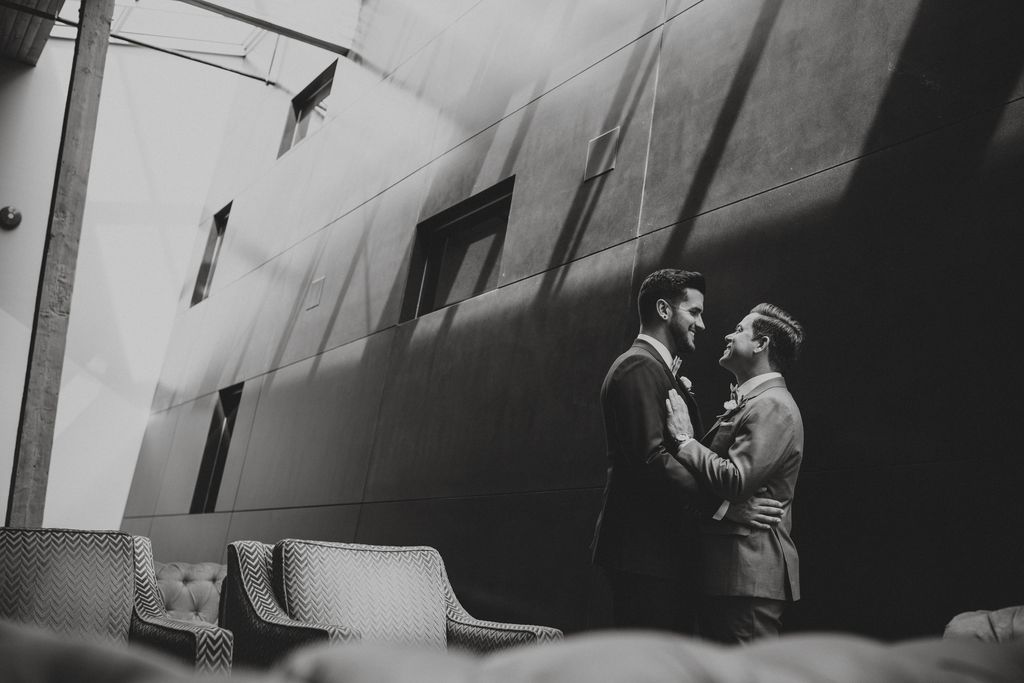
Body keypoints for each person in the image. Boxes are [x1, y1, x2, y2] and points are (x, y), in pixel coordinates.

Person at [591, 270, 785, 634]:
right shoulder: (638, 365)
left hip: (659, 553)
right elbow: (651, 460)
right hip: (643, 553)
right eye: (693, 312)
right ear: (664, 310)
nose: (702, 324)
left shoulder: (657, 369)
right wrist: (726, 507)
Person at [666, 303, 805, 643]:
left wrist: (685, 441)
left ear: (761, 344)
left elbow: (736, 480)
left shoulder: (772, 404)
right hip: (730, 574)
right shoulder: (755, 401)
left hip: (746, 574)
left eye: (740, 329)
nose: (728, 334)